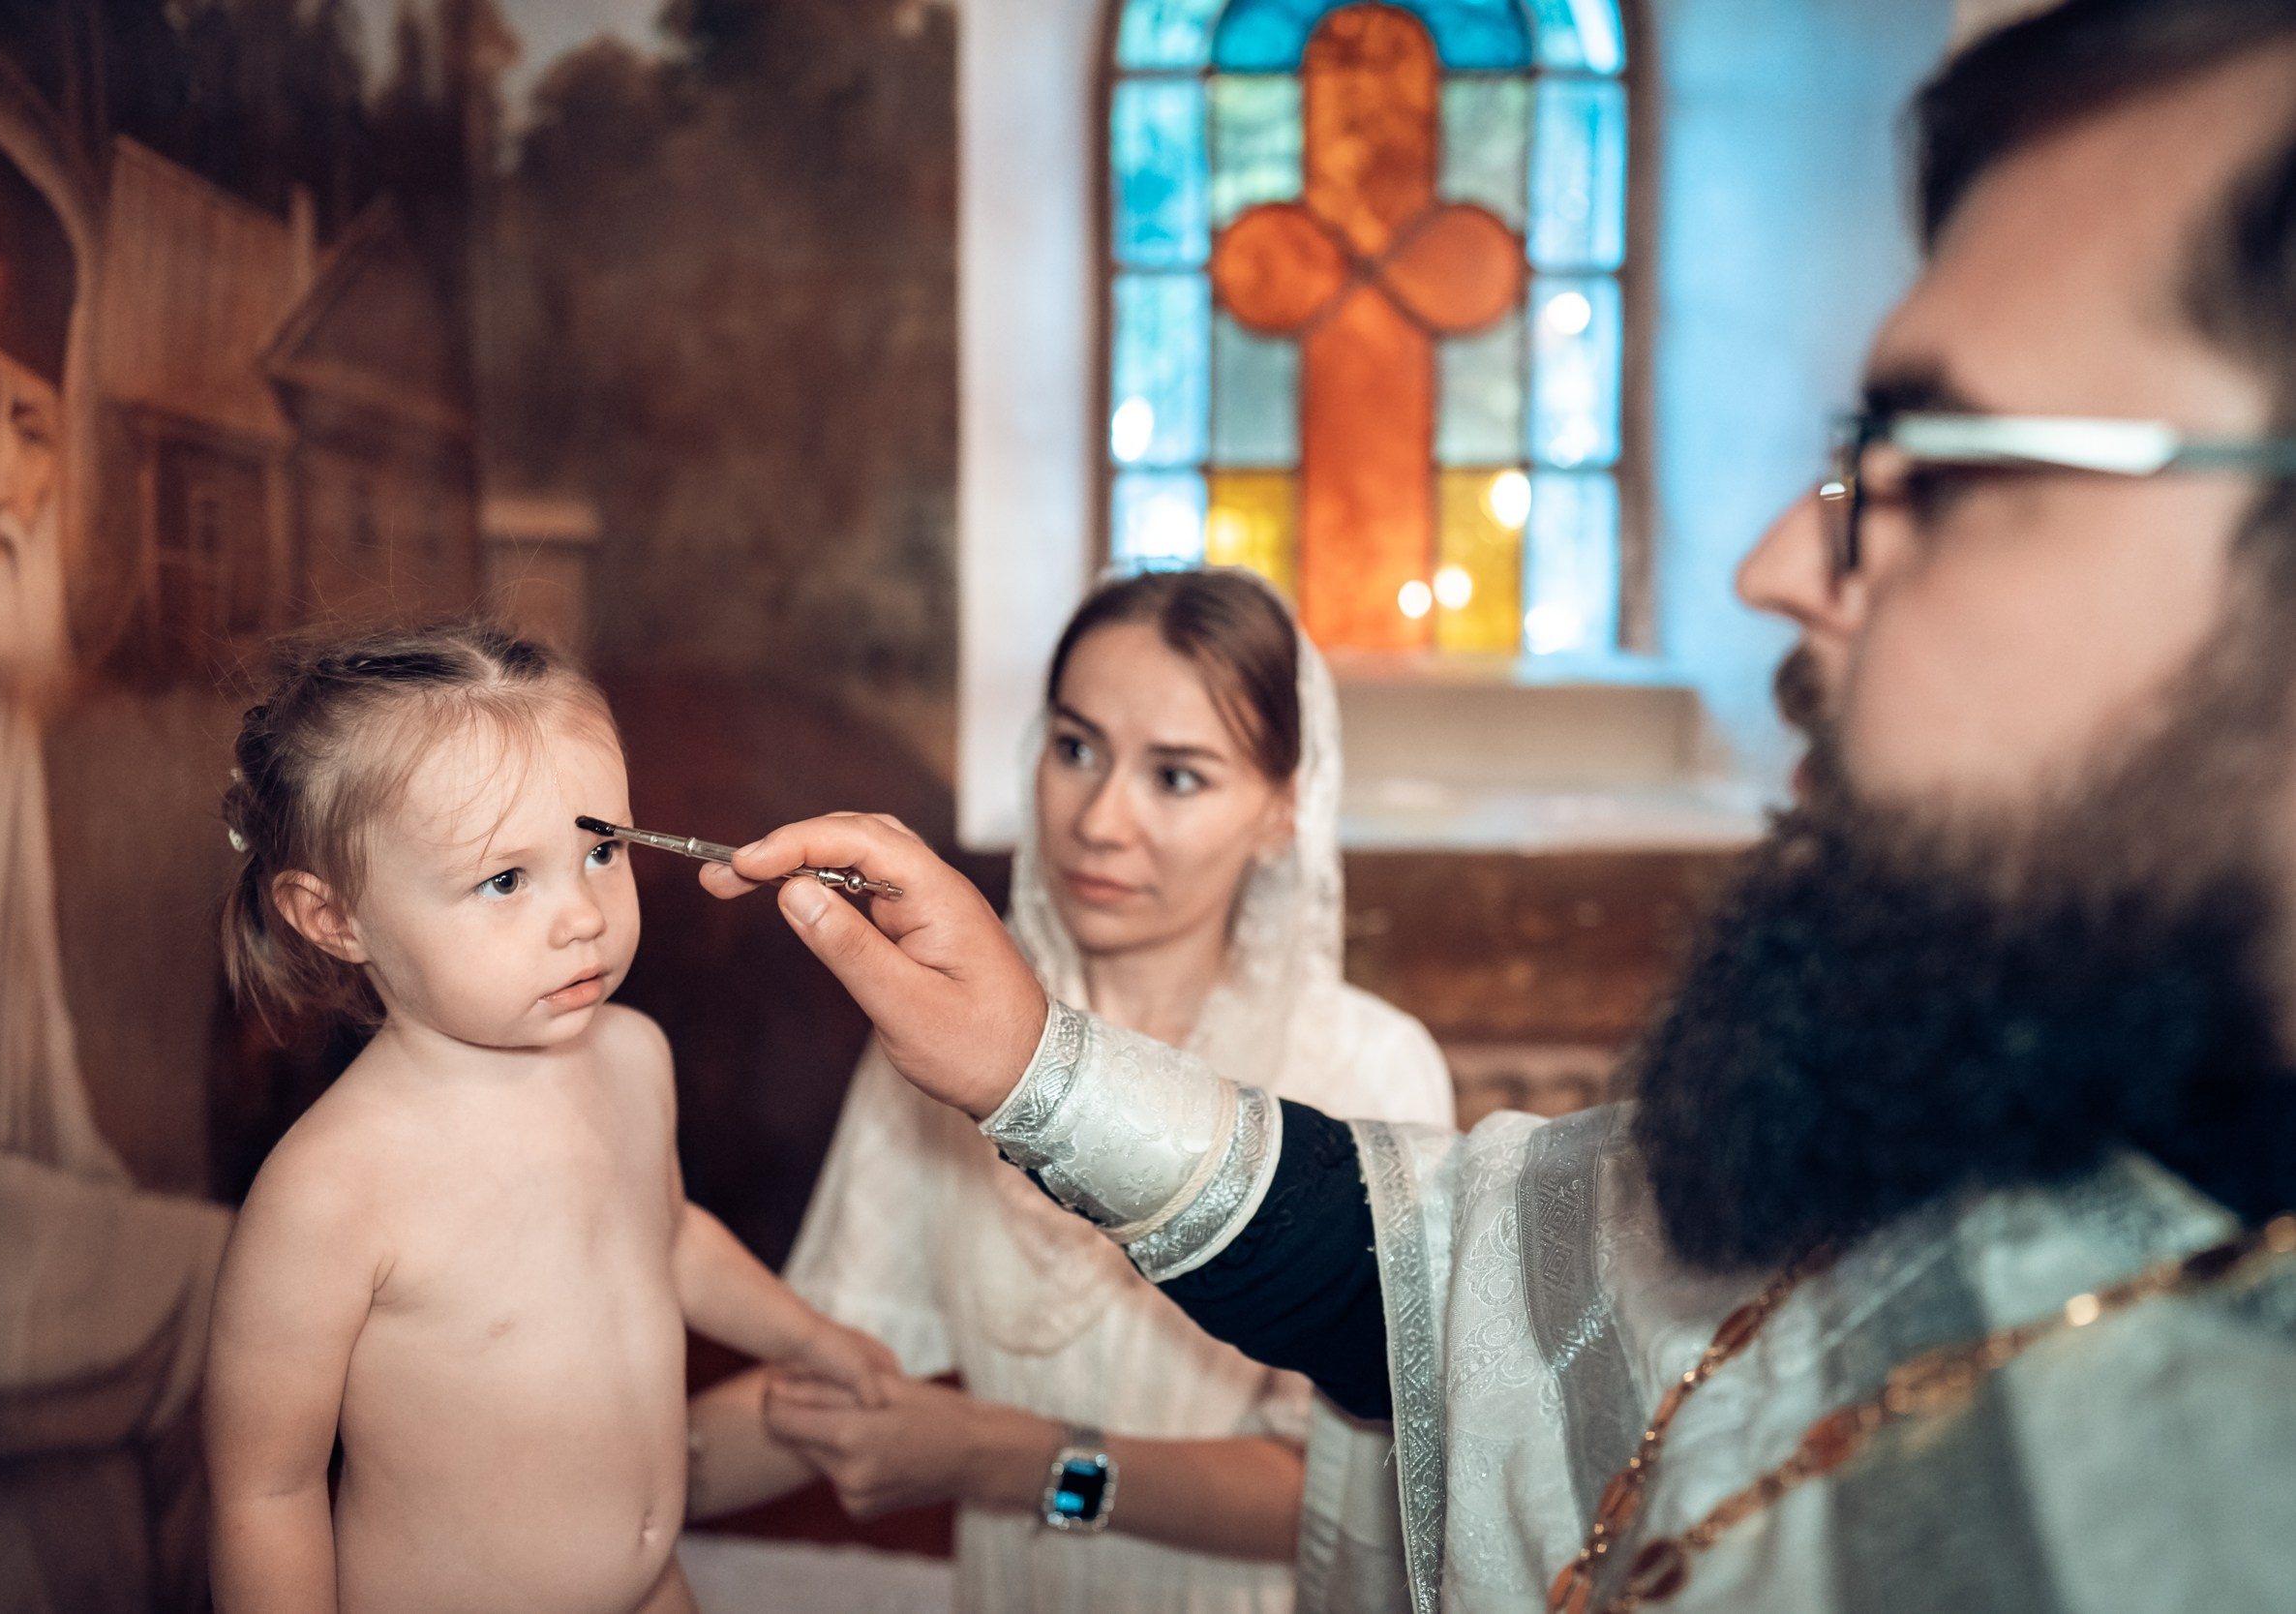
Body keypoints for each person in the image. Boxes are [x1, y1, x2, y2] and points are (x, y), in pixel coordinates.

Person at [705, 2, 2296, 1609]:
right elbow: (1434, 1287)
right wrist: (1031, 1061)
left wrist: (1021, 1457)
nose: (1774, 565)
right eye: (1075, 747)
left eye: (1937, 470)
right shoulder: (1984, 1107)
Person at [689, 569, 1453, 1612]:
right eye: (1077, 749)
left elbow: (1353, 1489)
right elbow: (836, 1373)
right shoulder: (937, 1036)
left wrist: (1007, 1458)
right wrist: (575, 1485)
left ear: (1283, 806)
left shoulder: (1371, 1068)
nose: (1101, 819)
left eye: (1175, 776)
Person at [201, 622, 895, 1614]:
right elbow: (265, 1490)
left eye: (601, 849)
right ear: (336, 916)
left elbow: (667, 1238)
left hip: (652, 1586)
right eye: (505, 879)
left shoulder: (631, 1054)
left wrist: (810, 1336)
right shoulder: (332, 1189)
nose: (582, 915)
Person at [0, 86, 233, 1614]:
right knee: (240, 1287)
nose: (0, 477)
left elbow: (40, 1117)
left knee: (64, 1528)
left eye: (33, 426)